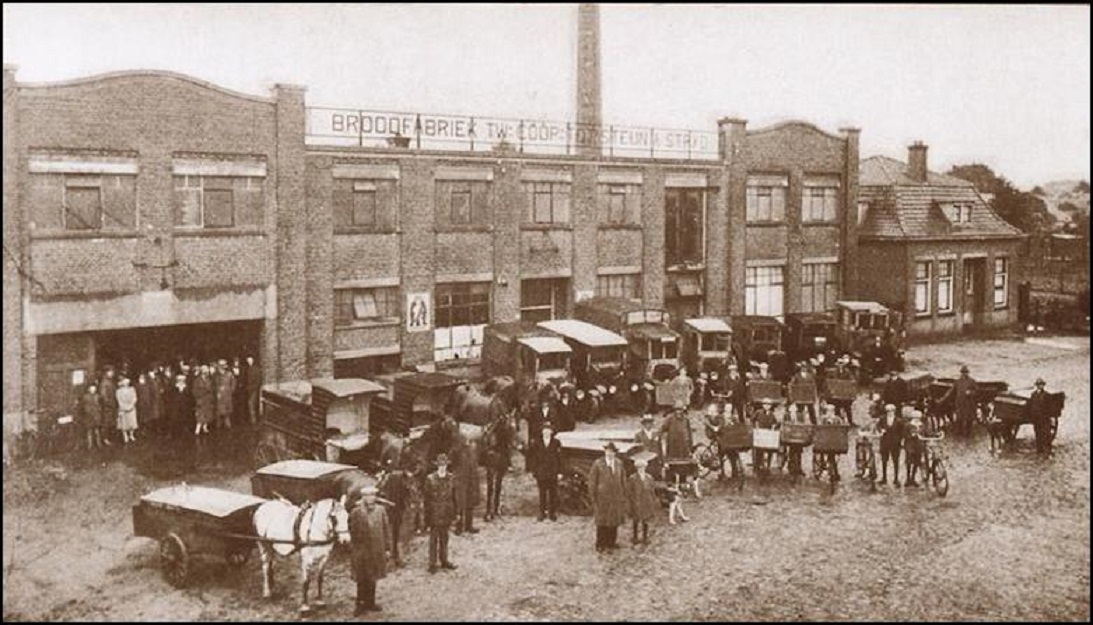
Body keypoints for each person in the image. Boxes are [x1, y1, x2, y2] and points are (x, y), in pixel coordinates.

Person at [349, 485, 391, 615]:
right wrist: (354, 549)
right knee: (361, 578)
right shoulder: (356, 512)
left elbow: (386, 529)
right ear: (363, 497)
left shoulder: (381, 510)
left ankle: (370, 602)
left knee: (373, 576)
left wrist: (387, 548)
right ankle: (360, 604)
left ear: (375, 497)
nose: (370, 498)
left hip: (376, 549)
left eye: (372, 495)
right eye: (367, 496)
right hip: (361, 550)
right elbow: (352, 531)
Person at [588, 441, 628, 553]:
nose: (609, 453)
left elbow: (623, 479)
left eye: (612, 452)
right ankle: (600, 543)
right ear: (605, 452)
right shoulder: (598, 464)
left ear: (615, 453)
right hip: (602, 497)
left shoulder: (619, 463)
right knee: (602, 521)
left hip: (616, 497)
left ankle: (611, 542)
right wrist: (593, 497)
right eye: (607, 451)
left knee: (614, 520)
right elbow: (592, 481)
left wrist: (623, 493)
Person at [424, 454, 458, 574]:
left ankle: (444, 560)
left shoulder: (451, 478)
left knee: (444, 538)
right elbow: (426, 499)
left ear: (447, 465)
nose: (442, 467)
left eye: (444, 465)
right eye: (440, 465)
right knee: (433, 539)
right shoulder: (430, 479)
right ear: (437, 466)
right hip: (434, 512)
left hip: (446, 512)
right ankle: (432, 563)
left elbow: (454, 497)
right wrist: (426, 517)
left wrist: (455, 513)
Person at [376, 459, 411, 567]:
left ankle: (393, 558)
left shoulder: (388, 479)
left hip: (392, 509)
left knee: (392, 533)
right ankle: (397, 558)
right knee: (396, 534)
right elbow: (407, 492)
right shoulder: (401, 477)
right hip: (396, 508)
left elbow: (380, 491)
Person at [525, 423, 562, 521]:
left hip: (552, 471)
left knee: (553, 493)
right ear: (542, 432)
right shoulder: (537, 443)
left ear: (552, 432)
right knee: (542, 493)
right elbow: (533, 457)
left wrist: (559, 472)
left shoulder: (556, 442)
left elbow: (559, 458)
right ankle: (542, 512)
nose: (546, 432)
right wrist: (534, 470)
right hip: (541, 471)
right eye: (544, 430)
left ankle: (552, 513)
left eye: (548, 430)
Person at [452, 435, 481, 535]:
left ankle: (469, 525)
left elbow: (476, 463)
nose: (467, 441)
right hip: (461, 479)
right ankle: (459, 526)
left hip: (472, 478)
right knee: (460, 503)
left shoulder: (473, 449)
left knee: (470, 502)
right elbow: (452, 462)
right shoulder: (457, 450)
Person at [627, 455, 658, 545]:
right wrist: (631, 503)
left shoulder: (649, 477)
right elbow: (629, 492)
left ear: (645, 467)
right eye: (639, 467)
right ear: (636, 468)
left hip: (646, 501)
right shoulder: (632, 478)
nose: (641, 469)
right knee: (636, 520)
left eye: (643, 467)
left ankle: (645, 537)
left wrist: (653, 500)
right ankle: (635, 537)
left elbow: (652, 490)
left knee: (646, 520)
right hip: (636, 501)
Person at [941, 365, 978, 437]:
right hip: (959, 403)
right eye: (963, 372)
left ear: (967, 373)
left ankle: (968, 433)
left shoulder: (972, 381)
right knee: (959, 417)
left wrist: (970, 392)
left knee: (969, 418)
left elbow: (976, 391)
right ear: (961, 373)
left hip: (968, 403)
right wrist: (943, 398)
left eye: (965, 372)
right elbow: (951, 391)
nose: (964, 374)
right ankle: (959, 432)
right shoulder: (957, 382)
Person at [877, 403, 905, 486]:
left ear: (894, 411)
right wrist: (881, 430)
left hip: (895, 443)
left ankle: (896, 479)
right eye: (888, 411)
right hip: (885, 442)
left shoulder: (899, 421)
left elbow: (902, 432)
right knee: (884, 461)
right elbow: (878, 426)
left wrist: (901, 440)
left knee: (896, 461)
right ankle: (884, 478)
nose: (890, 412)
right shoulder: (882, 419)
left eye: (891, 411)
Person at [751, 397, 778, 475]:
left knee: (769, 450)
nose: (767, 406)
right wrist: (756, 427)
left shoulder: (772, 414)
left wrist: (773, 427)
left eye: (769, 405)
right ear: (762, 405)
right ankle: (757, 466)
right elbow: (752, 420)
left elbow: (775, 423)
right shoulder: (758, 412)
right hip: (759, 434)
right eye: (765, 404)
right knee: (759, 450)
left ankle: (767, 466)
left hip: (768, 434)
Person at [1028, 378, 1054, 455]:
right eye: (1039, 384)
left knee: (1046, 434)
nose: (1040, 386)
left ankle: (1048, 450)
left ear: (1043, 385)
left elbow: (1050, 407)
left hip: (1044, 418)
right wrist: (1032, 416)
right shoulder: (1033, 395)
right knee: (1037, 433)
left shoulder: (1047, 395)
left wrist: (1048, 417)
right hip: (1036, 419)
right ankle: (1039, 450)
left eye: (1042, 384)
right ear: (1037, 386)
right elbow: (1031, 406)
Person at [783, 403, 807, 477]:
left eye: (794, 407)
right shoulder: (786, 415)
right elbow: (785, 424)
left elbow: (803, 425)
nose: (793, 409)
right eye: (791, 407)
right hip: (790, 436)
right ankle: (791, 467)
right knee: (791, 451)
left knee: (799, 452)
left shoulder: (800, 415)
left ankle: (799, 467)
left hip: (798, 435)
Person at [77, 383, 104, 450]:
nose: (93, 390)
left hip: (96, 415)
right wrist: (86, 411)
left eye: (94, 389)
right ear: (89, 389)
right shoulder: (85, 397)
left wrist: (99, 410)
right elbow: (82, 406)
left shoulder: (98, 396)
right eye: (91, 389)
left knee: (97, 431)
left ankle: (99, 444)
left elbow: (101, 405)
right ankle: (90, 445)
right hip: (88, 416)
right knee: (89, 431)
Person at [634, 414, 662, 478]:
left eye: (650, 422)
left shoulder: (656, 434)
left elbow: (659, 448)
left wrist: (662, 461)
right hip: (645, 460)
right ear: (643, 424)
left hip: (655, 462)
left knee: (656, 477)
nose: (648, 425)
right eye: (646, 423)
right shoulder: (639, 435)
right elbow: (635, 449)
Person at [903, 410, 925, 487]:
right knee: (909, 461)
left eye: (918, 418)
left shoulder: (922, 425)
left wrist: (936, 434)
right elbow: (904, 435)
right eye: (915, 418)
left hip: (919, 445)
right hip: (910, 445)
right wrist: (911, 436)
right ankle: (908, 478)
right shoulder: (908, 425)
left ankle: (913, 478)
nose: (917, 419)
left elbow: (927, 433)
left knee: (917, 461)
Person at [192, 365, 215, 436]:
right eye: (204, 371)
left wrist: (211, 396)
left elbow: (212, 389)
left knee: (208, 413)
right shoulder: (197, 380)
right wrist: (199, 396)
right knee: (200, 414)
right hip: (201, 399)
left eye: (207, 372)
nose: (206, 373)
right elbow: (194, 391)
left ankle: (205, 427)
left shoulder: (209, 380)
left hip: (208, 399)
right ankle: (198, 429)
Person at [214, 359, 236, 430]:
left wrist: (230, 391)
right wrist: (216, 392)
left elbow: (233, 384)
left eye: (223, 365)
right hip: (218, 397)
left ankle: (228, 429)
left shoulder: (229, 374)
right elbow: (212, 385)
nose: (222, 367)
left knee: (227, 415)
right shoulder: (215, 375)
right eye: (220, 365)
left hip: (227, 397)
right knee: (218, 415)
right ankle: (218, 429)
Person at [116, 377, 138, 444]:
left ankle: (131, 435)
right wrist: (124, 407)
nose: (126, 383)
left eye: (127, 382)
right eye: (124, 382)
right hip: (123, 409)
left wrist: (131, 405)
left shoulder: (132, 389)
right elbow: (119, 400)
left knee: (132, 423)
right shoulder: (118, 391)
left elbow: (135, 398)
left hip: (131, 408)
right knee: (124, 423)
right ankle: (125, 435)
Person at [99, 368, 118, 446]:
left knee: (111, 422)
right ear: (106, 372)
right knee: (106, 423)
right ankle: (105, 439)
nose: (112, 373)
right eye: (110, 372)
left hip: (112, 405)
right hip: (107, 407)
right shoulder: (104, 382)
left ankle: (109, 438)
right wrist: (109, 403)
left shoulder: (110, 381)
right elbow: (103, 396)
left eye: (112, 372)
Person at [244, 355, 262, 424]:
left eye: (250, 360)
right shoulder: (248, 369)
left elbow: (258, 381)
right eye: (248, 360)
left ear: (253, 360)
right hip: (249, 389)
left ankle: (253, 420)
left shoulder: (256, 369)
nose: (249, 361)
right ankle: (252, 419)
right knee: (250, 404)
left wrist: (251, 387)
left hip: (254, 390)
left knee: (251, 404)